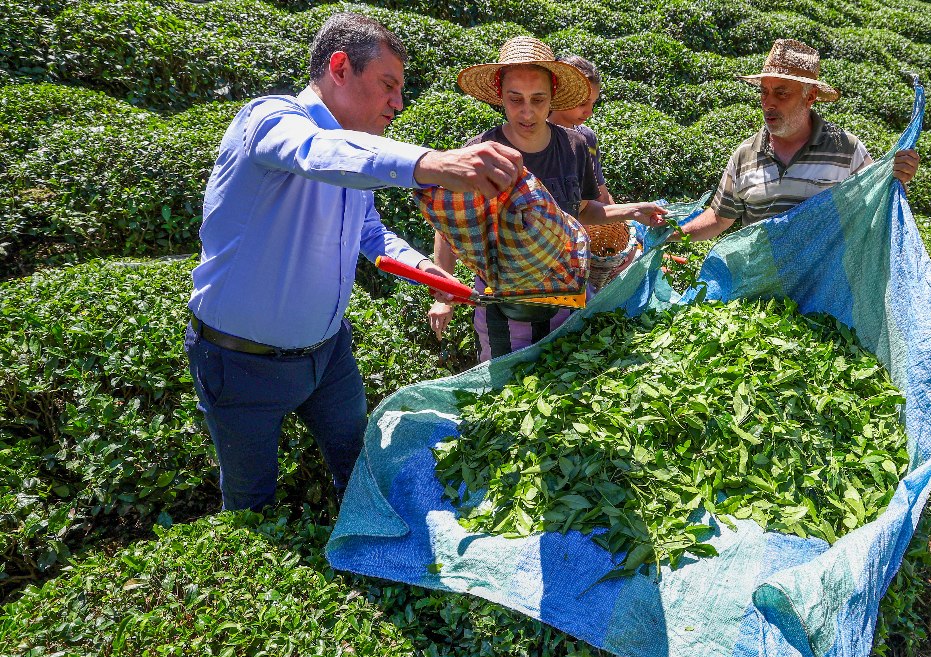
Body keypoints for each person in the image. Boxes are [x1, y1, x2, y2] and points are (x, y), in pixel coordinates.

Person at [185, 12, 525, 512]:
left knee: (358, 465)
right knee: (251, 498)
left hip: (328, 354)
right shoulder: (271, 120)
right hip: (240, 362)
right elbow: (313, 151)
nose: (398, 104)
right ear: (340, 68)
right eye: (388, 85)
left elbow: (369, 231)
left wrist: (426, 269)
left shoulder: (353, 154)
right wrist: (431, 164)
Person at [426, 37, 666, 360]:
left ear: (553, 96)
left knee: (568, 391)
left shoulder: (573, 147)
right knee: (509, 398)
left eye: (538, 99)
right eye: (516, 99)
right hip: (505, 309)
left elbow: (581, 211)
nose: (527, 112)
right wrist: (444, 292)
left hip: (568, 301)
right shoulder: (481, 152)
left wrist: (635, 211)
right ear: (500, 96)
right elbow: (450, 227)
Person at [668, 39, 920, 242]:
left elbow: (878, 208)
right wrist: (669, 236)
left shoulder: (847, 150)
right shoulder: (745, 154)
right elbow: (719, 219)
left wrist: (899, 179)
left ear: (809, 97)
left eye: (781, 93)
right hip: (760, 292)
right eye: (764, 92)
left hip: (824, 293)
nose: (769, 104)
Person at [547, 55, 612, 205]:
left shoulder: (587, 137)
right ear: (560, 95)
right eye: (583, 103)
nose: (589, 112)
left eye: (593, 103)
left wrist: (621, 223)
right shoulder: (538, 138)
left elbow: (601, 194)